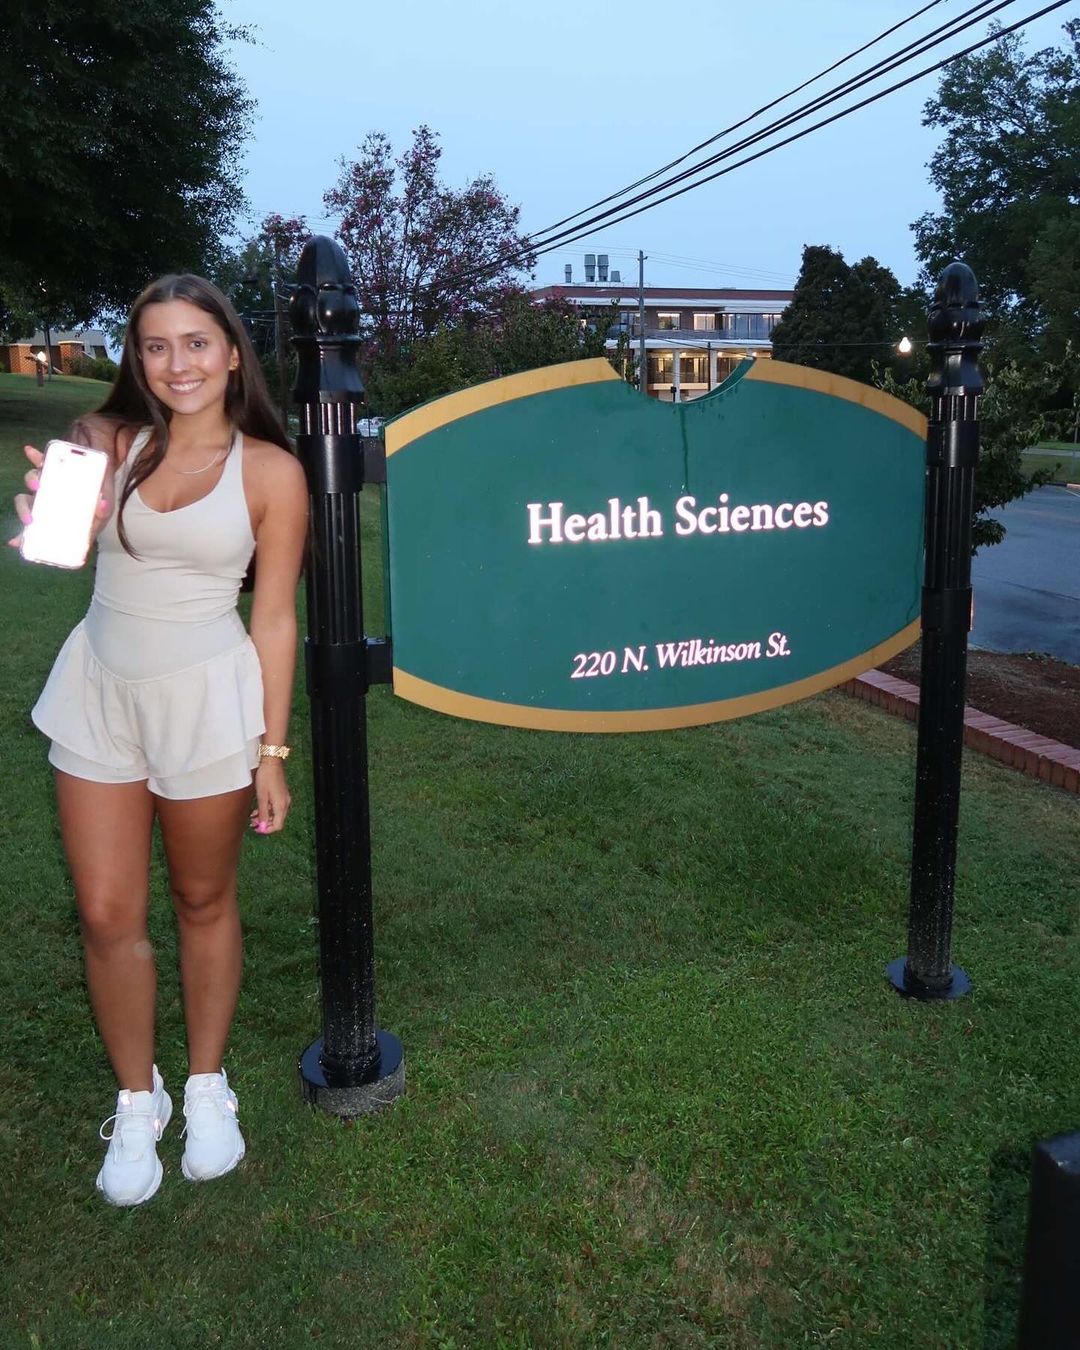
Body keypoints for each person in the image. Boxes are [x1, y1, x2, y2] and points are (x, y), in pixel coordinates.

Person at [9, 275, 308, 1206]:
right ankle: (138, 1098)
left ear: (232, 354)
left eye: (196, 342)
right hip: (99, 695)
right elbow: (58, 541)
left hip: (208, 705)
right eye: (155, 345)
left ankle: (207, 1084)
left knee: (202, 898)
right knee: (107, 915)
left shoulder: (271, 472)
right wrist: (64, 518)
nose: (177, 364)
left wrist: (271, 753)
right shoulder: (109, 442)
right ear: (138, 359)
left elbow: (274, 619)